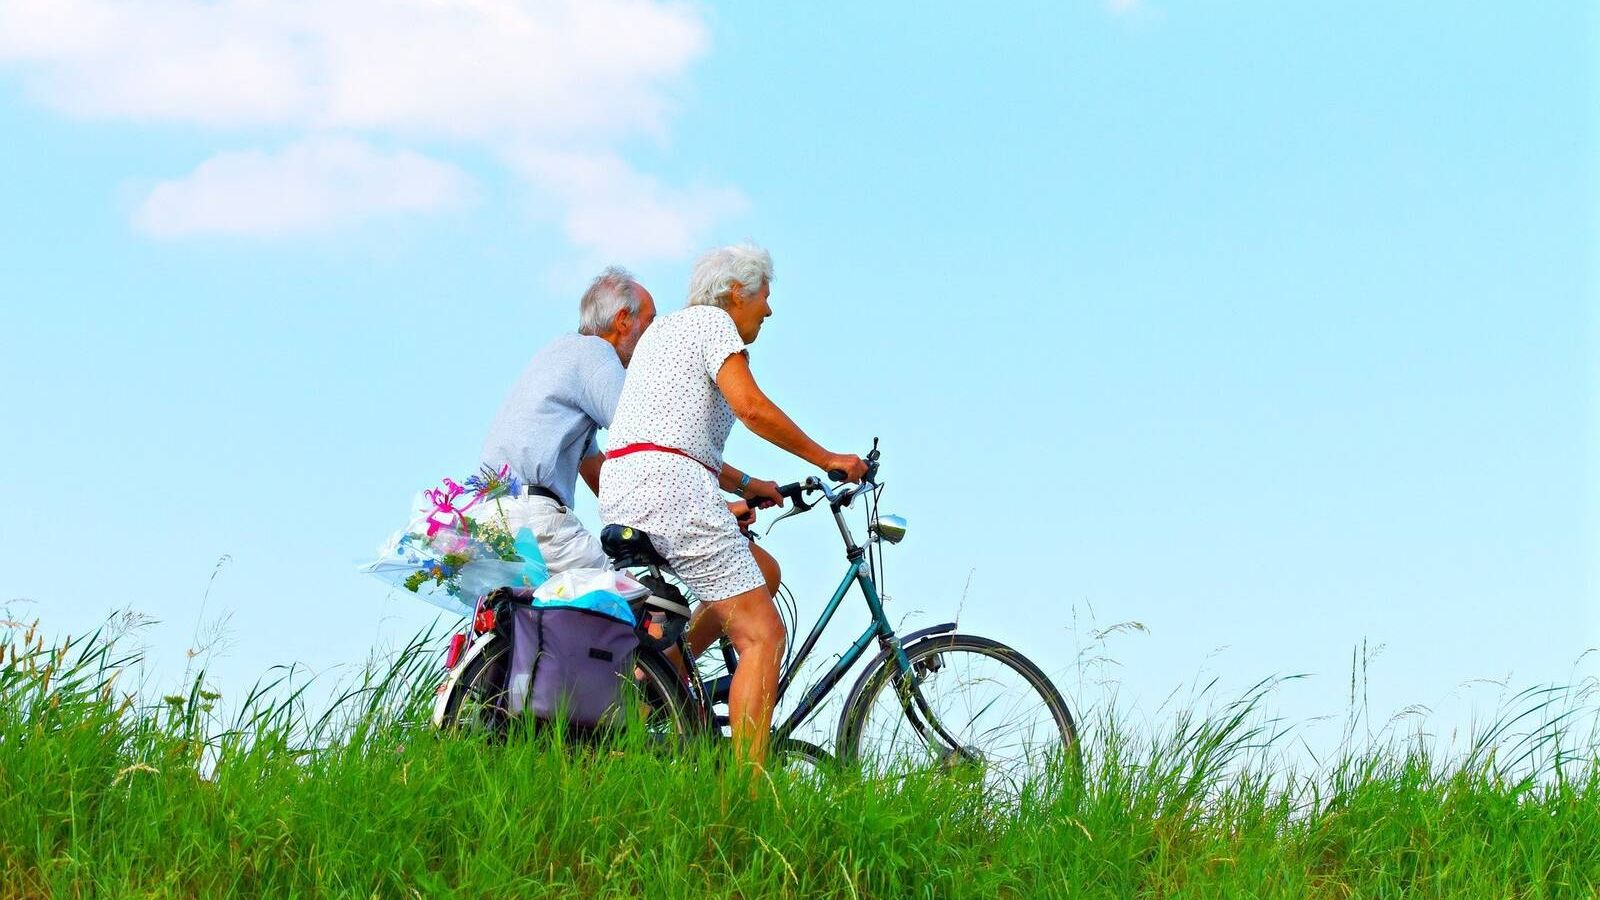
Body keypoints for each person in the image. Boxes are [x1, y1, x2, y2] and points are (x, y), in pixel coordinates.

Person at [598, 243, 867, 767]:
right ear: (737, 292)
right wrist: (826, 457)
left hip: (629, 486)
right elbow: (749, 405)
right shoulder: (714, 324)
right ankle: (744, 798)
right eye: (765, 296)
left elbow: (667, 433)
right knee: (763, 635)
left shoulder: (665, 333)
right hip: (671, 489)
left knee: (761, 570)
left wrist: (745, 484)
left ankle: (665, 679)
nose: (768, 310)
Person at [474, 267, 655, 572]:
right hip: (533, 520)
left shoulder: (559, 353)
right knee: (635, 602)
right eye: (650, 323)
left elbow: (599, 474)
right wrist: (709, 508)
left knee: (541, 617)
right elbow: (648, 435)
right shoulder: (596, 353)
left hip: (490, 520)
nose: (653, 336)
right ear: (623, 319)